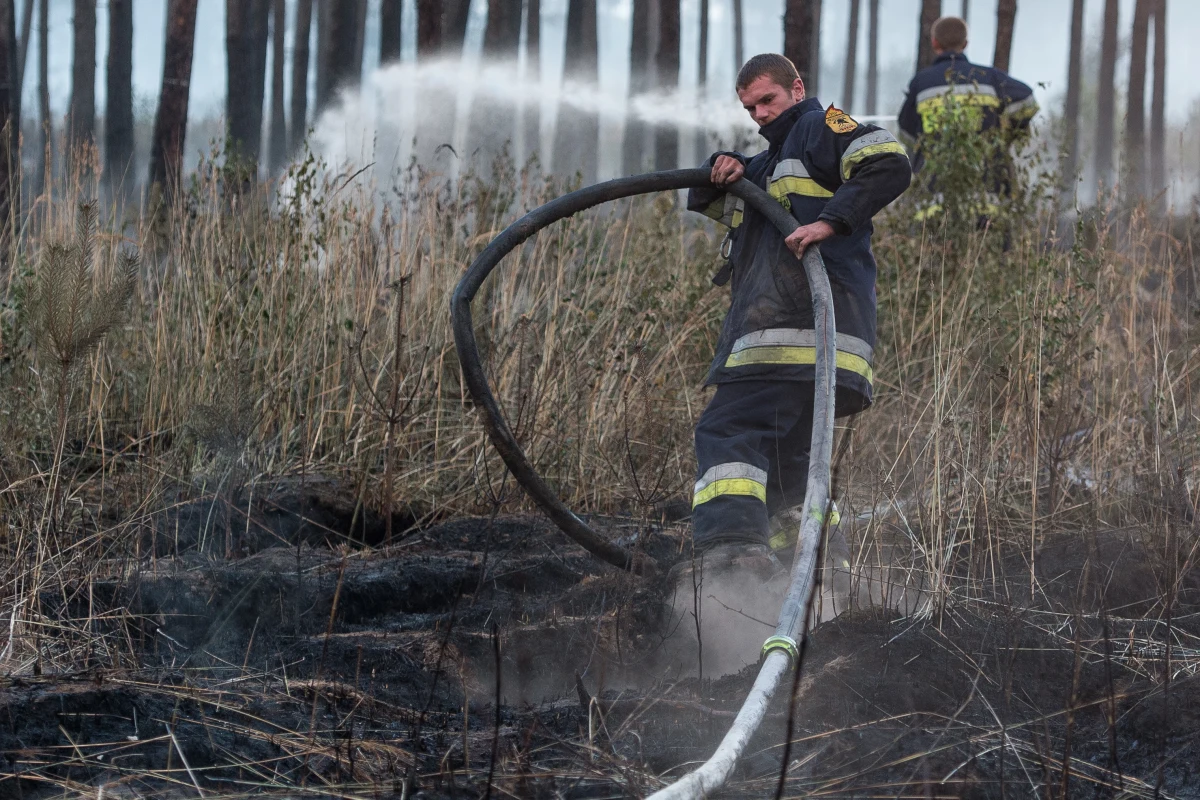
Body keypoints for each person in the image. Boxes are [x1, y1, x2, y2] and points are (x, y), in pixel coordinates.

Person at [682, 54, 911, 581]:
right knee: (789, 462)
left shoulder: (817, 127)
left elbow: (890, 160)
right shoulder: (767, 165)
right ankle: (820, 569)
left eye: (768, 99)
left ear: (796, 88)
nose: (760, 113)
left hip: (793, 336)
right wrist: (722, 169)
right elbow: (721, 206)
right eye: (750, 107)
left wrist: (830, 222)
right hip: (819, 345)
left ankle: (733, 553)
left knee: (729, 427)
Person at [898, 15, 1038, 189]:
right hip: (986, 186)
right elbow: (1028, 102)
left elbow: (905, 131)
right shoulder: (989, 78)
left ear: (934, 43)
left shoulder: (921, 83)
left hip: (934, 188)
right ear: (965, 44)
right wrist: (1005, 132)